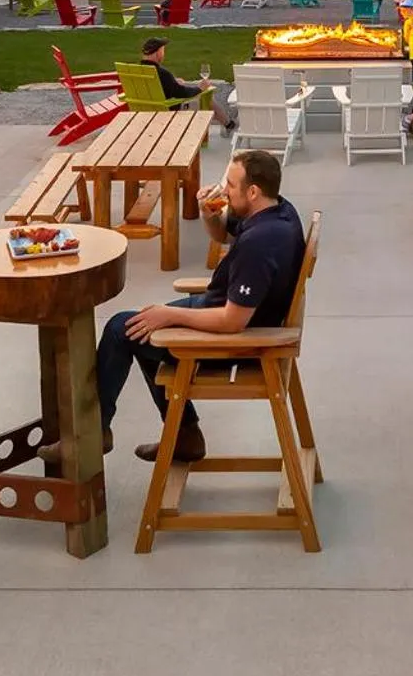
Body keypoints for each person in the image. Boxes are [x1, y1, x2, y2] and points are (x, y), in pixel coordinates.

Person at [93, 149, 305, 463]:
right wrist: (209, 214)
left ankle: (93, 435)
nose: (224, 191)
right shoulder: (278, 210)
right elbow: (222, 234)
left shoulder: (260, 244)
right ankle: (185, 436)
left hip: (236, 342)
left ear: (253, 191)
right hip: (222, 309)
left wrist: (169, 315)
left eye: (230, 185)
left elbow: (233, 321)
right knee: (142, 327)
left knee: (121, 330)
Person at [140, 35, 235, 132]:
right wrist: (200, 88)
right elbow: (182, 93)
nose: (163, 54)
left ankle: (228, 124)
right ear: (158, 52)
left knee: (205, 100)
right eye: (163, 51)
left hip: (146, 112)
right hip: (170, 110)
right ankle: (228, 125)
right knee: (207, 100)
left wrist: (172, 81)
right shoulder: (163, 73)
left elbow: (160, 85)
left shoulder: (139, 71)